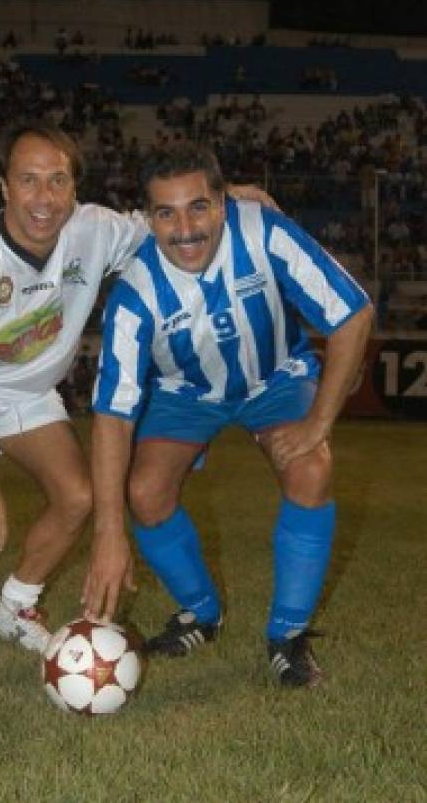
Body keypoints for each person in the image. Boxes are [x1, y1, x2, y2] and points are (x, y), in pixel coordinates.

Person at [0, 120, 276, 677]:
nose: (43, 198)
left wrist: (231, 196)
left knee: (78, 496)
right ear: (4, 188)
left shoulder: (93, 229)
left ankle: (15, 605)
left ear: (74, 188)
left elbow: (164, 224)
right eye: (28, 181)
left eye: (57, 181)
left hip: (23, 388)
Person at [83, 142, 373, 688]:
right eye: (166, 213)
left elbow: (353, 314)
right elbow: (111, 418)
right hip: (184, 391)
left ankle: (287, 636)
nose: (185, 228)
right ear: (149, 220)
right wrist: (108, 534)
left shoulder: (264, 231)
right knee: (145, 494)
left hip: (276, 377)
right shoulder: (134, 294)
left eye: (198, 207)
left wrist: (318, 425)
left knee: (311, 468)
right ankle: (201, 612)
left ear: (222, 202)